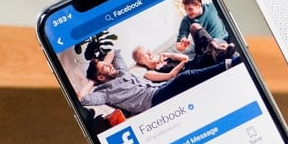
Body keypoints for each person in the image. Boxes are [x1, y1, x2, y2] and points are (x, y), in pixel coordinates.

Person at [77, 48, 241, 116]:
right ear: (100, 78)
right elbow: (82, 99)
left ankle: (226, 65)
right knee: (185, 77)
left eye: (108, 64)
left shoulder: (122, 72)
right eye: (105, 68)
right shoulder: (104, 92)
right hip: (151, 100)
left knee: (188, 78)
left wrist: (102, 64)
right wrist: (92, 80)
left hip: (159, 89)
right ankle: (229, 64)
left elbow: (115, 52)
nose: (109, 66)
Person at [133, 24, 236, 82]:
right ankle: (217, 51)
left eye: (149, 51)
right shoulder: (150, 73)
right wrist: (184, 62)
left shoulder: (164, 58)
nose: (150, 54)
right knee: (226, 47)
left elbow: (184, 57)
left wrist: (166, 54)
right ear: (141, 62)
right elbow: (171, 76)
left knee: (194, 27)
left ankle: (216, 50)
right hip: (191, 70)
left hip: (195, 61)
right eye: (146, 54)